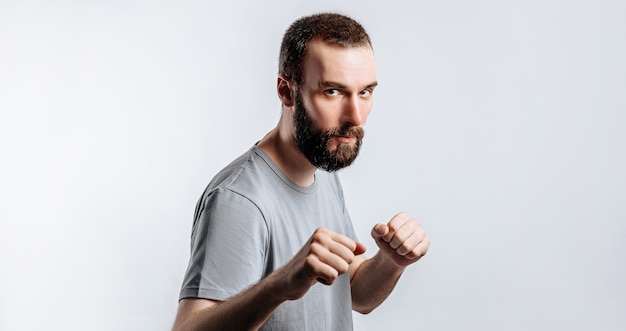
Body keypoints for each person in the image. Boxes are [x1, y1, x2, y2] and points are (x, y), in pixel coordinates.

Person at [172, 12, 430, 331]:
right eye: (333, 91)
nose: (356, 115)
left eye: (365, 92)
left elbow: (354, 292)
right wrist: (280, 285)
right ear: (287, 91)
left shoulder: (322, 171)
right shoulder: (238, 199)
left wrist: (391, 261)